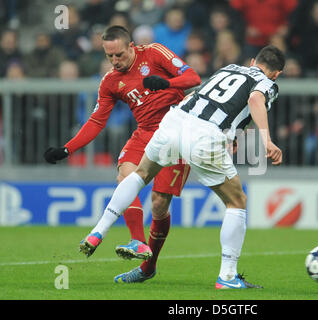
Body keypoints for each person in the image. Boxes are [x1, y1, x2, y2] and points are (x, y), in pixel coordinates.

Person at [79, 45, 285, 289]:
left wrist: (234, 135)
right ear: (277, 73)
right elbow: (254, 100)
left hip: (174, 120)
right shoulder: (268, 83)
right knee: (237, 201)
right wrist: (267, 140)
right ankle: (227, 277)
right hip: (204, 135)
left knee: (140, 174)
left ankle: (99, 231)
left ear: (252, 61)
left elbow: (198, 96)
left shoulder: (229, 68)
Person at [44, 26, 201, 264]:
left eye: (119, 54)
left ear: (131, 46)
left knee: (158, 204)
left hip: (175, 132)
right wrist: (67, 149)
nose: (115, 61)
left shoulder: (155, 52)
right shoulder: (110, 82)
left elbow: (194, 78)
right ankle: (137, 241)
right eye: (109, 56)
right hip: (145, 133)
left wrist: (167, 83)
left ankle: (149, 265)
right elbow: (96, 121)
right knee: (125, 177)